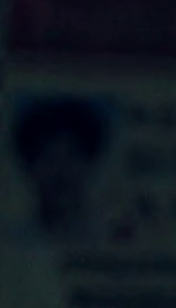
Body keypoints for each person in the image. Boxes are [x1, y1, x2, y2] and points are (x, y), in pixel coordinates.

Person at [12, 97, 111, 244]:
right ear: (30, 165)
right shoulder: (14, 241)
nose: (60, 171)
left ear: (90, 162)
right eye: (48, 156)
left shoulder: (110, 239)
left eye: (72, 155)